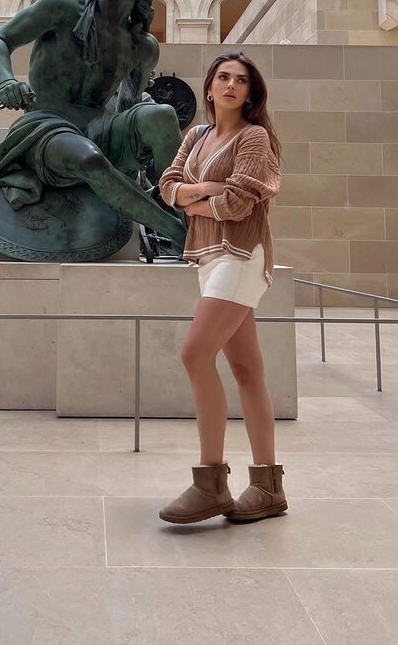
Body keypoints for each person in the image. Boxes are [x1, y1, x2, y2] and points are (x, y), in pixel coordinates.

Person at [0, 0, 186, 246]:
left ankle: (188, 216)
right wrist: (6, 81)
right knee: (88, 159)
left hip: (100, 129)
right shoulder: (62, 8)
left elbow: (129, 104)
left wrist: (144, 125)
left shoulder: (143, 47)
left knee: (162, 115)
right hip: (45, 128)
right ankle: (178, 233)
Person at [157, 52, 284, 525]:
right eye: (223, 77)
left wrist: (193, 200)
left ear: (251, 93)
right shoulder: (195, 136)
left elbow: (239, 203)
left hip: (242, 254)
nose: (231, 85)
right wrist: (204, 192)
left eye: (241, 80)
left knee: (195, 354)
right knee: (247, 370)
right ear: (209, 87)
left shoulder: (255, 137)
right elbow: (167, 186)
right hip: (208, 257)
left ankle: (210, 482)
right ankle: (269, 487)